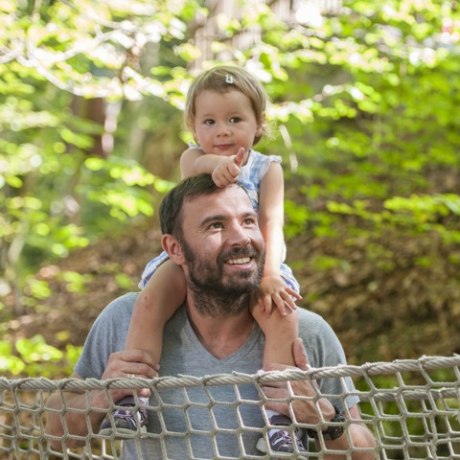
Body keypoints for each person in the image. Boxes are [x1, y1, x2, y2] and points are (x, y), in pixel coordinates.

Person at [45, 174, 376, 459]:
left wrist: (325, 420)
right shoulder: (125, 320)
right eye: (216, 225)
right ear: (175, 249)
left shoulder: (306, 331)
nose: (241, 238)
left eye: (248, 221)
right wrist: (105, 394)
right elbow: (58, 433)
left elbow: (366, 452)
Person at [103, 65, 304, 453]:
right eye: (209, 121)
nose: (222, 131)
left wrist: (270, 273)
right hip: (194, 260)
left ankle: (282, 418)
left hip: (253, 259)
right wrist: (220, 167)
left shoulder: (268, 168)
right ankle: (133, 398)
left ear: (258, 123)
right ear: (194, 128)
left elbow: (271, 224)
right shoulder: (193, 157)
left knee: (281, 316)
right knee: (149, 302)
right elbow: (199, 169)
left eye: (234, 119)